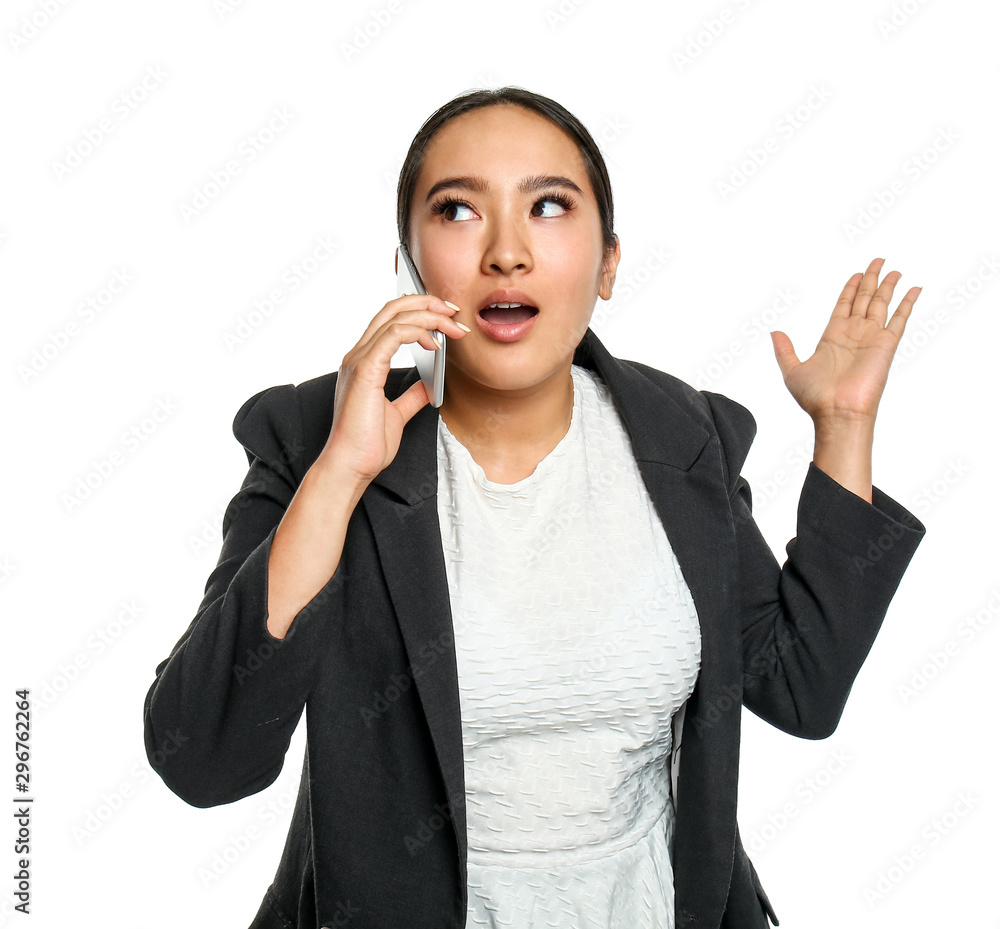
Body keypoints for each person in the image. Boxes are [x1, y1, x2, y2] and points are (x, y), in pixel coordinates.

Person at [143, 86, 926, 929]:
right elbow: (205, 759)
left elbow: (796, 688)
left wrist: (844, 428)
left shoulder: (683, 434)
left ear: (610, 263)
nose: (507, 252)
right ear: (407, 264)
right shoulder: (308, 438)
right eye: (457, 211)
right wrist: (341, 471)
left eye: (549, 206)